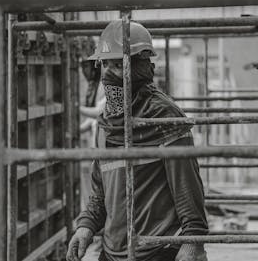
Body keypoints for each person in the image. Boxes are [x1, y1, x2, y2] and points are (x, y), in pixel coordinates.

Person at [66, 20, 208, 261]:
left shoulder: (163, 117)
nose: (109, 74)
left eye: (118, 65)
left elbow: (186, 185)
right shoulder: (106, 124)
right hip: (112, 252)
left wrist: (194, 239)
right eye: (105, 64)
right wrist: (86, 226)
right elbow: (101, 189)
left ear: (141, 65)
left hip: (157, 248)